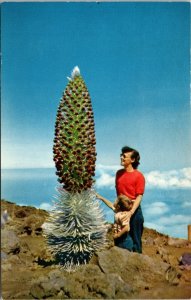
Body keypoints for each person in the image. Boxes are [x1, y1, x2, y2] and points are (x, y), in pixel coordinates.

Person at [116, 146, 145, 253]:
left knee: (136, 242)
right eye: (121, 155)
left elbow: (139, 196)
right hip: (122, 210)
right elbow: (119, 194)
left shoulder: (139, 176)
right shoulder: (118, 174)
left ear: (132, 160)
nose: (121, 158)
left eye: (124, 156)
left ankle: (138, 266)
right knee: (121, 240)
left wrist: (131, 212)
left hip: (135, 211)